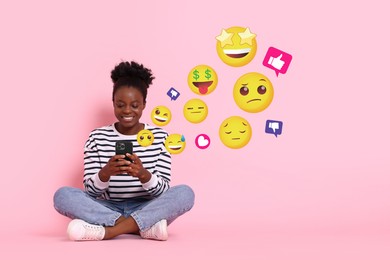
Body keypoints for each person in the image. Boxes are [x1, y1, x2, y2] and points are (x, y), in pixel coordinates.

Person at [53, 61, 195, 241]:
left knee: (185, 193)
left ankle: (109, 231)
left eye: (134, 105)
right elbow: (90, 192)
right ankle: (142, 228)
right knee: (63, 196)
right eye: (120, 105)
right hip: (106, 207)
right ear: (113, 103)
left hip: (146, 206)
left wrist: (144, 175)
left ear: (144, 104)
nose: (127, 110)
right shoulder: (97, 137)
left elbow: (163, 192)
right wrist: (105, 173)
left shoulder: (160, 137)